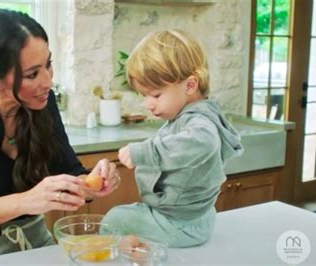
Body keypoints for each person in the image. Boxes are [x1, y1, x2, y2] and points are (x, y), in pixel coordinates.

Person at [0, 9, 120, 261]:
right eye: (32, 74)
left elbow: (68, 169)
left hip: (37, 241)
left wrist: (92, 182)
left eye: (48, 64)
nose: (47, 81)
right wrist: (27, 201)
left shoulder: (41, 101)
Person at [102, 30, 243, 247]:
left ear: (189, 85)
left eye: (156, 95)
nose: (148, 104)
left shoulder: (200, 123)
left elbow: (203, 142)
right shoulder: (191, 115)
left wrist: (143, 151)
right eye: (144, 96)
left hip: (179, 224)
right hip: (193, 218)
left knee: (115, 220)